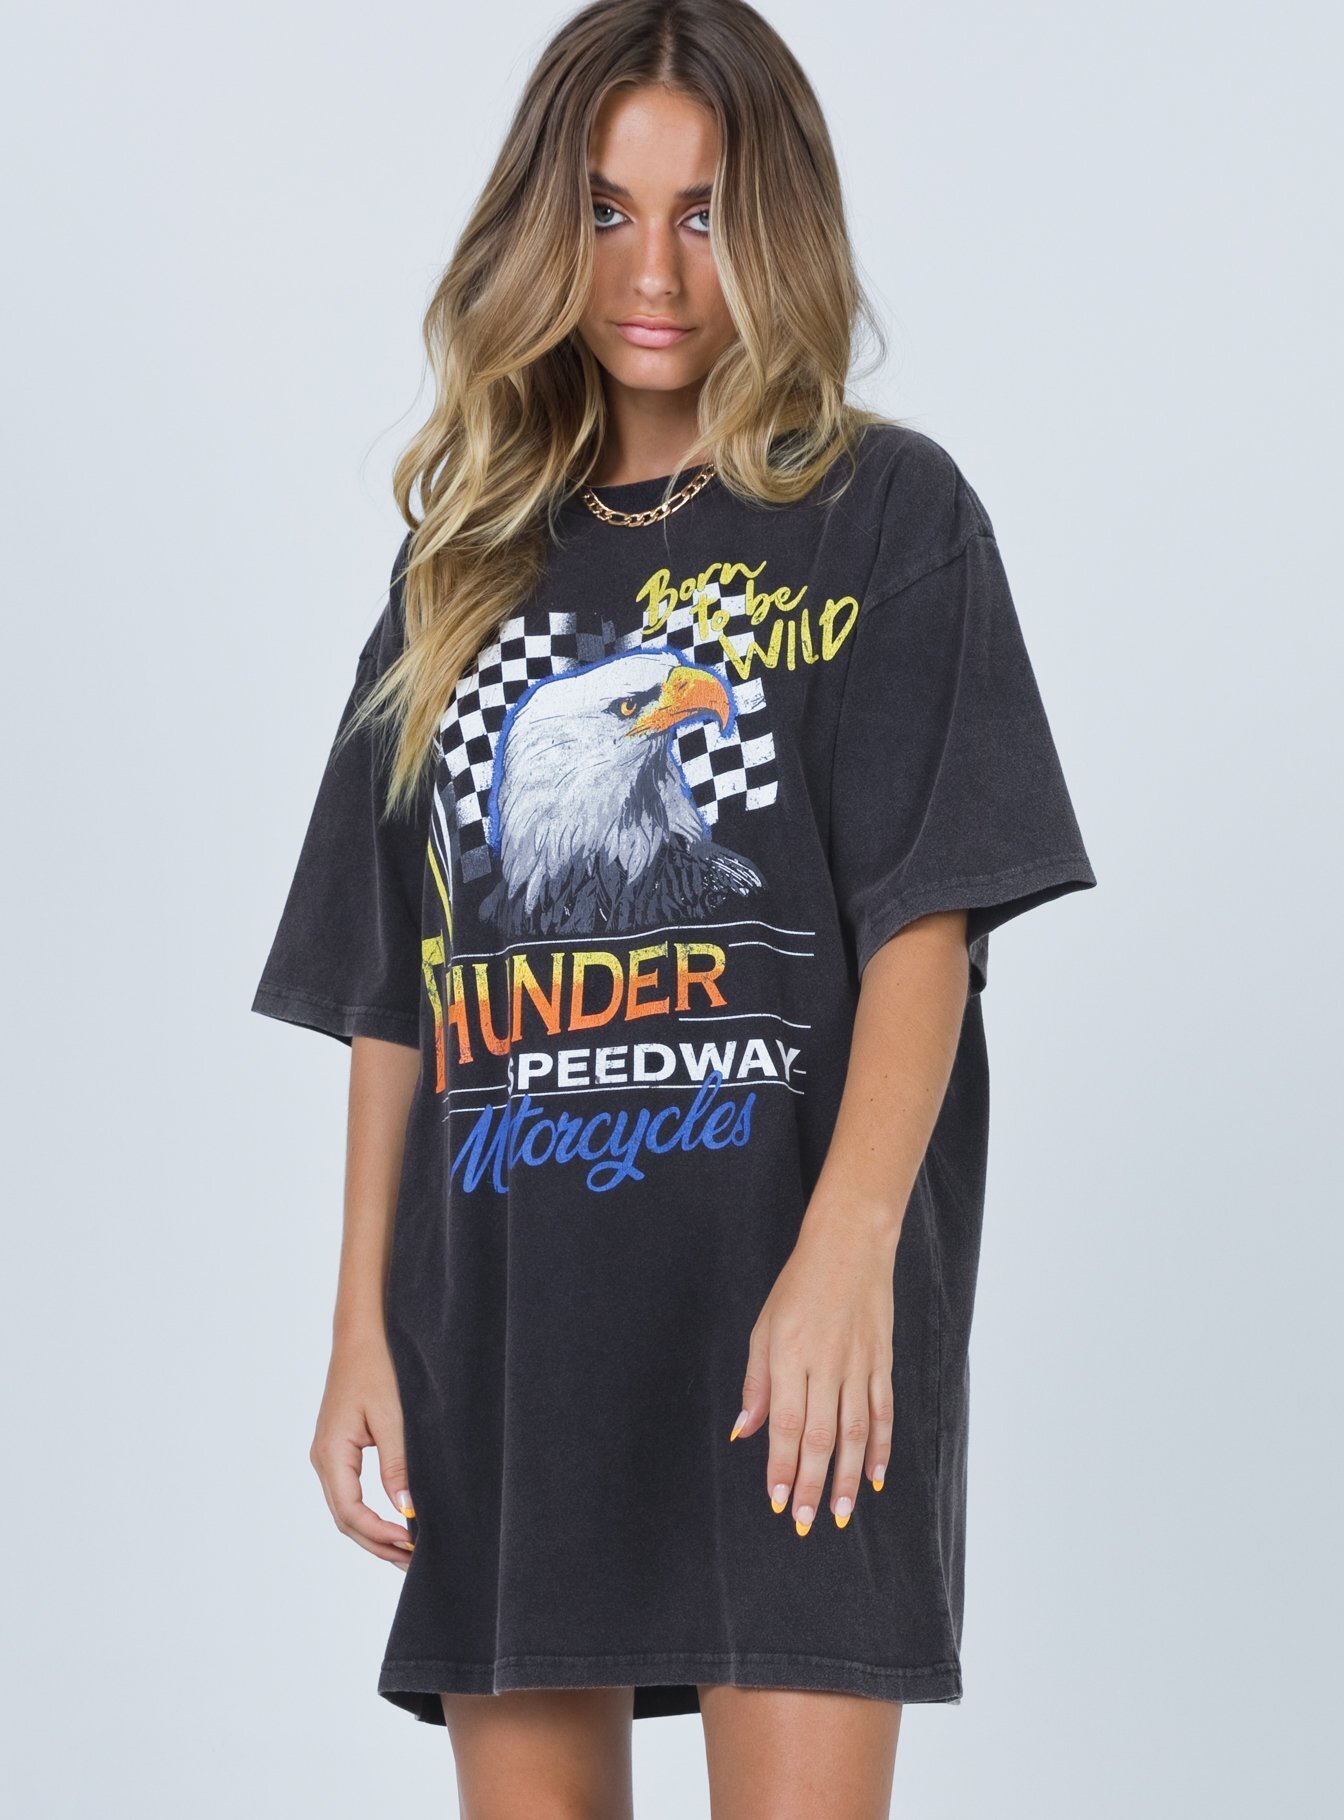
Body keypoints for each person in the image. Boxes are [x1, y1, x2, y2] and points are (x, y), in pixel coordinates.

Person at [249, 0, 1097, 1812]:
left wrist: (849, 1254)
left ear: (775, 224)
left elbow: (926, 923)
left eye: (704, 212)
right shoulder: (467, 558)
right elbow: (397, 983)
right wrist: (357, 1329)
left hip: (788, 1315)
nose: (654, 272)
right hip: (513, 1327)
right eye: (608, 210)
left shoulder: (882, 511)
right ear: (541, 227)